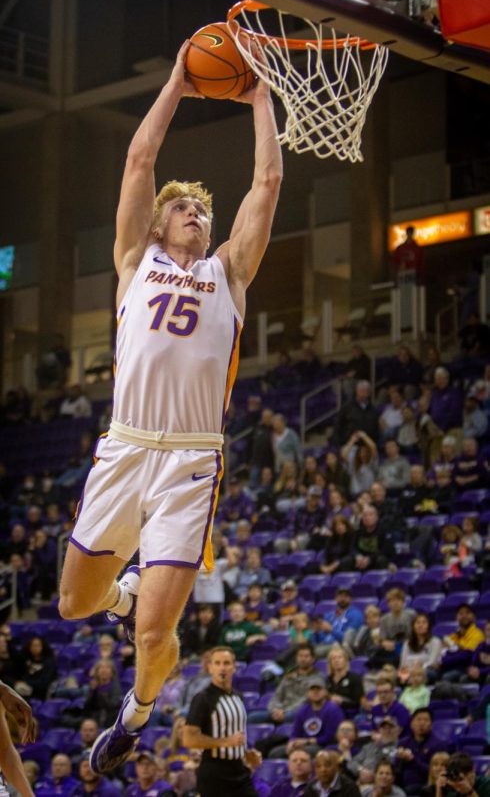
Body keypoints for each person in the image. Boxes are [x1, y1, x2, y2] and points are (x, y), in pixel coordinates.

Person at [58, 42, 282, 774]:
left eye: (202, 212)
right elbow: (137, 162)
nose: (196, 215)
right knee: (72, 605)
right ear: (158, 226)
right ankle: (121, 598)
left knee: (155, 638)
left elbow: (269, 179)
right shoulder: (135, 262)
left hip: (190, 456)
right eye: (184, 208)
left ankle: (137, 713)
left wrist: (257, 102)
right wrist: (179, 84)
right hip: (125, 444)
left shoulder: (230, 272)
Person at [183, 646, 262, 797]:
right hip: (214, 773)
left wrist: (245, 753)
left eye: (226, 663)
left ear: (234, 667)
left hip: (239, 769)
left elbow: (233, 735)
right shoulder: (203, 698)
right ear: (210, 668)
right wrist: (224, 742)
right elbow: (188, 739)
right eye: (217, 663)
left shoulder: (238, 697)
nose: (222, 668)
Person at [396, 708, 444, 796]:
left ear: (431, 724)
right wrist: (399, 759)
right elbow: (397, 769)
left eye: (426, 720)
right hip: (403, 784)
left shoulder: (438, 745)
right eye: (418, 719)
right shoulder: (403, 743)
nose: (422, 723)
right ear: (411, 724)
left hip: (426, 785)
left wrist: (412, 760)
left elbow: (434, 772)